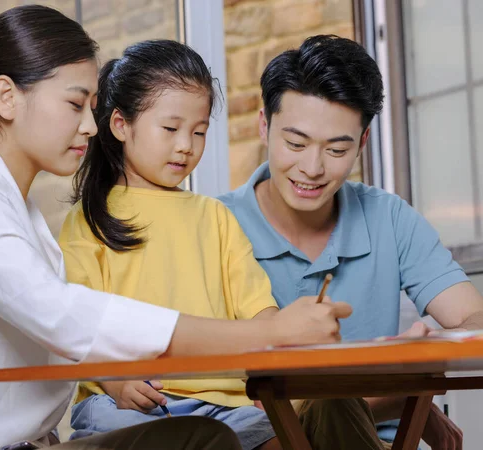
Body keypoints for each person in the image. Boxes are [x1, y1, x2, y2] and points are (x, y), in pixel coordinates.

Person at [0, 7, 347, 449]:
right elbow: (64, 317)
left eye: (91, 107)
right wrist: (267, 333)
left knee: (230, 432)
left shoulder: (10, 204)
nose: (87, 126)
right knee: (203, 437)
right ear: (7, 98)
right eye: (76, 104)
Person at [58, 39, 358, 450]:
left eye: (199, 132)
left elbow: (259, 310)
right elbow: (75, 324)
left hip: (226, 405)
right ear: (120, 125)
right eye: (170, 129)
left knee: (291, 435)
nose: (186, 145)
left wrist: (290, 334)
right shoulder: (89, 219)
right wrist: (114, 379)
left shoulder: (215, 217)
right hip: (127, 402)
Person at [219, 34, 483, 450]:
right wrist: (405, 397)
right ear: (264, 125)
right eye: (295, 144)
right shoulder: (215, 224)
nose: (312, 168)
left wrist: (421, 360)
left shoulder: (388, 218)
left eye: (336, 149)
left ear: (363, 143)